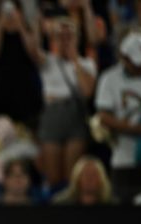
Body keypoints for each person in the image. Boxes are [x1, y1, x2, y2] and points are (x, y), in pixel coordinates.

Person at [95, 31, 141, 202]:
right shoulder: (110, 78)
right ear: (123, 57)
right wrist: (134, 129)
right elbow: (103, 116)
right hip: (124, 156)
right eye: (136, 62)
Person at [36, 18, 97, 197]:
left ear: (77, 38)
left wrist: (74, 60)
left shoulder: (87, 64)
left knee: (72, 176)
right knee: (53, 176)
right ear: (53, 39)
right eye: (60, 36)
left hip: (75, 114)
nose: (65, 40)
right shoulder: (47, 61)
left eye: (69, 36)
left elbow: (87, 91)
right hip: (53, 114)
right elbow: (32, 47)